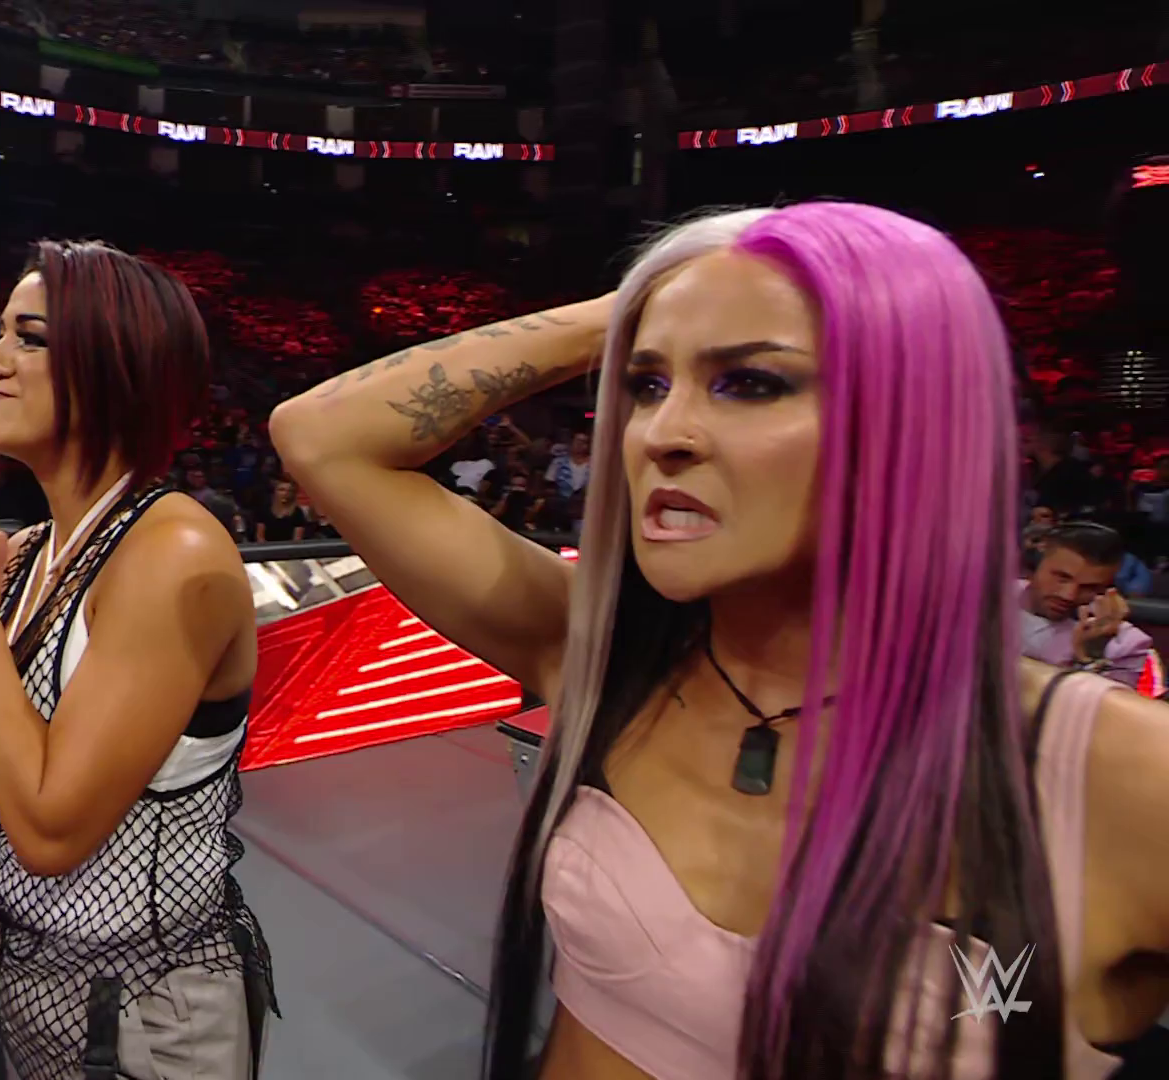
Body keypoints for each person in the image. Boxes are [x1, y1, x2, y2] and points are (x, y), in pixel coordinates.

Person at [270, 203, 1169, 1079]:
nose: (663, 434)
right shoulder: (600, 653)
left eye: (751, 382)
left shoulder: (1122, 778)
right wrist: (656, 299)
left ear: (915, 416)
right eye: (646, 385)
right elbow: (321, 435)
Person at [0, 240, 275, 1080]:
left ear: (113, 368)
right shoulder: (30, 553)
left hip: (152, 1008)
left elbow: (50, 832)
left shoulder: (173, 552)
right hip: (33, 982)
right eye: (0, 334)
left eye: (28, 338)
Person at [1021, 522, 1154, 690]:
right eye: (1062, 578)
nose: (1068, 595)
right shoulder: (992, 597)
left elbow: (1104, 706)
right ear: (1034, 566)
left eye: (1089, 587)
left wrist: (1090, 658)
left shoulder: (1127, 644)